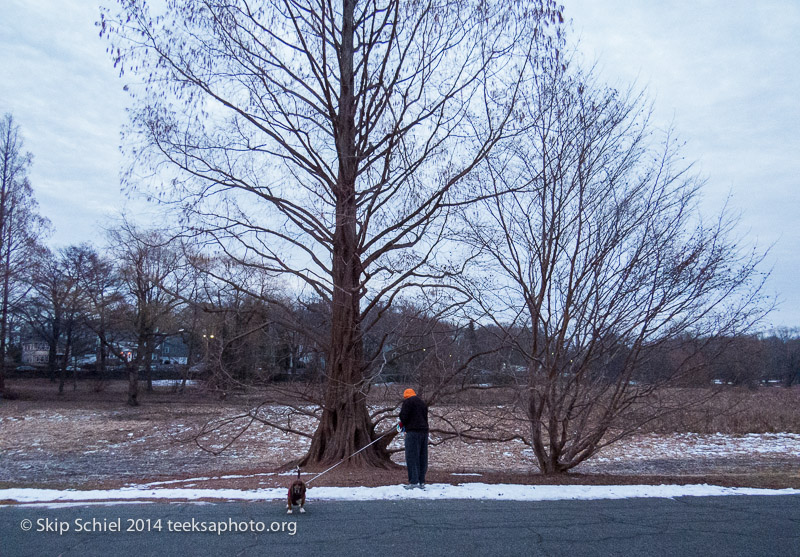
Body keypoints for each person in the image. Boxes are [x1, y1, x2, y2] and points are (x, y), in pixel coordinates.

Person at [398, 388, 428, 489]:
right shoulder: (422, 403)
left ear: (406, 396)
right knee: (422, 457)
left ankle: (413, 481)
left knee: (412, 456)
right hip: (424, 432)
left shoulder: (408, 402)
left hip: (413, 432)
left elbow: (404, 417)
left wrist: (402, 424)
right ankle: (421, 481)